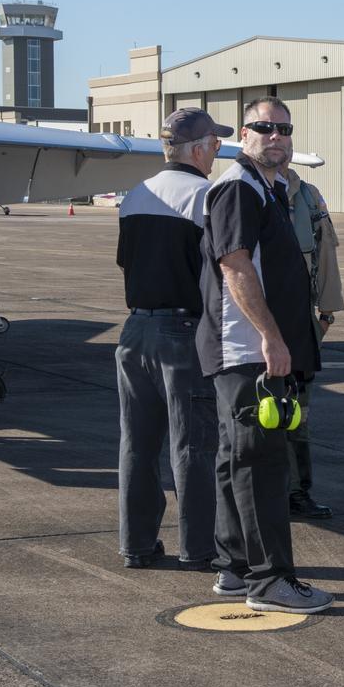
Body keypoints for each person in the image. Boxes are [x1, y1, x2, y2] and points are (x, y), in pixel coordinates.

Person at [197, 96, 333, 614]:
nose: (276, 136)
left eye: (284, 128)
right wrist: (273, 338)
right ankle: (271, 581)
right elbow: (234, 266)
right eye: (264, 127)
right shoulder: (238, 188)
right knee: (261, 464)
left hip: (253, 350)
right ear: (244, 135)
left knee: (238, 458)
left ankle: (235, 570)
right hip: (249, 352)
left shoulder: (265, 188)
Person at [114, 108, 224, 571]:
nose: (217, 152)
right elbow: (218, 273)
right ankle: (198, 548)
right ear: (197, 149)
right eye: (215, 145)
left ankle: (136, 544)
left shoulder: (135, 196)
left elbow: (126, 263)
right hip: (182, 333)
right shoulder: (206, 197)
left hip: (134, 331)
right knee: (192, 444)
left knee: (137, 444)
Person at [281, 154, 344, 519]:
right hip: (255, 327)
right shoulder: (240, 192)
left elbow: (326, 253)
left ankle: (297, 493)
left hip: (301, 327)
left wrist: (326, 315)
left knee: (297, 415)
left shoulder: (307, 196)